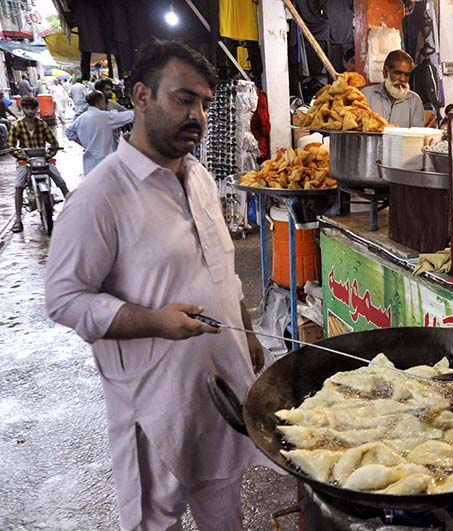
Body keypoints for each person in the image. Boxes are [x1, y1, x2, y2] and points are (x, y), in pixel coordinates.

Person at [45, 40, 266, 531]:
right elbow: (64, 299)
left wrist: (246, 331)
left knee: (225, 511)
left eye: (205, 103)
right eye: (184, 99)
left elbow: (222, 268)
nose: (199, 115)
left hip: (217, 385)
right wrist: (155, 322)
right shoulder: (101, 197)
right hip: (153, 401)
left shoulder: (200, 177)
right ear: (141, 97)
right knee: (155, 520)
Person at [8, 96, 70, 233]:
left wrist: (49, 155)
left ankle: (74, 208)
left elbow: (54, 143)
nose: (30, 111)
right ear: (22, 109)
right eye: (27, 108)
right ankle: (18, 219)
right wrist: (21, 156)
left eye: (33, 108)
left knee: (60, 181)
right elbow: (12, 146)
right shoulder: (16, 126)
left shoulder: (42, 124)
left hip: (43, 158)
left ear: (37, 109)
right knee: (19, 186)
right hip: (25, 160)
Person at [65, 90, 135, 175]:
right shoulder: (105, 117)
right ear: (99, 102)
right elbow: (128, 116)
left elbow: (68, 131)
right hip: (105, 161)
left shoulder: (82, 118)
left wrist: (84, 143)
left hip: (89, 164)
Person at [361, 50, 425, 128]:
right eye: (398, 73)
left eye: (407, 75)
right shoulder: (366, 95)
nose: (402, 79)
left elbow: (417, 135)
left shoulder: (414, 101)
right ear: (385, 72)